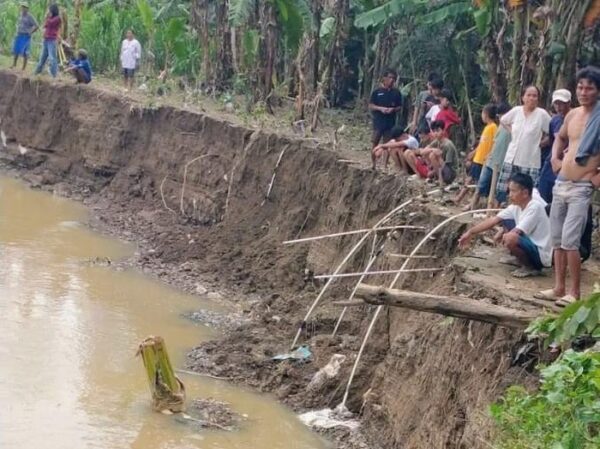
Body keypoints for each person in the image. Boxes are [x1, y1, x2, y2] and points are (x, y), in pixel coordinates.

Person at [536, 67, 600, 306]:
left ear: (598, 91)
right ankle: (558, 287)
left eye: (589, 88)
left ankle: (574, 292)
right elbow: (560, 138)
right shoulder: (572, 115)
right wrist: (554, 158)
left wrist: (596, 176)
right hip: (561, 182)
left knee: (571, 240)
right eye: (580, 87)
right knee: (557, 239)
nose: (584, 92)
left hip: (582, 186)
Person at [459, 173, 551, 278]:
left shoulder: (535, 207)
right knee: (506, 222)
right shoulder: (516, 206)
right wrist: (470, 232)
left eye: (513, 191)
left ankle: (531, 267)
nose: (509, 194)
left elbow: (517, 231)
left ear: (525, 193)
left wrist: (505, 237)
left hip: (540, 254)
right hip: (530, 244)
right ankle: (520, 259)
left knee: (510, 238)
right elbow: (494, 220)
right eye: (509, 191)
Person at [496, 86, 551, 204]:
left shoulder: (542, 115)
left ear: (538, 99)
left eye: (534, 96)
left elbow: (552, 132)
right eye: (528, 95)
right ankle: (502, 211)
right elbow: (503, 120)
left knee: (527, 192)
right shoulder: (516, 111)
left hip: (530, 160)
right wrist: (512, 131)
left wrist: (541, 143)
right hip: (512, 157)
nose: (531, 98)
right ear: (523, 97)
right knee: (505, 189)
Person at [454, 104, 499, 208]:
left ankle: (469, 202)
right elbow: (482, 144)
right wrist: (473, 153)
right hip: (478, 159)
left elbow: (494, 143)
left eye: (482, 113)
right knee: (471, 179)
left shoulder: (493, 127)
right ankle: (461, 198)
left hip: (483, 161)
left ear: (486, 114)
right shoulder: (487, 127)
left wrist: (489, 155)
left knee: (477, 182)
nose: (482, 116)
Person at [474, 102, 512, 208]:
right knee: (481, 184)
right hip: (491, 161)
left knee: (499, 189)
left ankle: (495, 209)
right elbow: (495, 142)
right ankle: (473, 204)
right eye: (499, 116)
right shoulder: (500, 127)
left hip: (503, 163)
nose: (501, 118)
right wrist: (489, 154)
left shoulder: (514, 129)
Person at [537, 89, 572, 203]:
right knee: (543, 195)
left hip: (570, 162)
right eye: (556, 103)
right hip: (551, 162)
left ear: (569, 103)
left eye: (562, 103)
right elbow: (553, 140)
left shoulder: (576, 118)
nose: (559, 107)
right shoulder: (554, 120)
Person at [403, 120, 457, 185]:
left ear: (443, 130)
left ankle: (441, 179)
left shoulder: (448, 145)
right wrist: (432, 149)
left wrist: (437, 158)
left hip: (450, 173)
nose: (436, 133)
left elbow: (449, 165)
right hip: (441, 169)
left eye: (438, 131)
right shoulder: (437, 141)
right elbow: (423, 152)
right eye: (434, 131)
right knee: (431, 153)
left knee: (432, 155)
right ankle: (438, 178)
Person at [369, 69, 403, 168]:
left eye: (394, 78)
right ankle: (373, 164)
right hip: (378, 122)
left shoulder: (396, 93)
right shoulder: (377, 92)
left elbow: (399, 107)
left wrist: (393, 109)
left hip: (390, 122)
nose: (392, 80)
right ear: (384, 78)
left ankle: (384, 165)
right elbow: (371, 105)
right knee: (375, 142)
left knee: (387, 144)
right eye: (390, 77)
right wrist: (380, 109)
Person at [33, 4, 61, 78]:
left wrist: (47, 17)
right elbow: (45, 25)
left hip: (52, 40)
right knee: (42, 58)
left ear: (53, 10)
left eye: (49, 10)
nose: (48, 11)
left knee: (52, 58)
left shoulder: (57, 18)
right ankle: (36, 73)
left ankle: (53, 76)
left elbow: (50, 23)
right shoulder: (50, 18)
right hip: (46, 39)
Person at [11, 2, 38, 70]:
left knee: (25, 51)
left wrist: (31, 32)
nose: (23, 8)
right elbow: (19, 24)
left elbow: (36, 26)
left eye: (25, 7)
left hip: (26, 36)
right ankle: (14, 64)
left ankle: (23, 68)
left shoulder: (30, 16)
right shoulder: (20, 15)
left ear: (27, 9)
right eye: (22, 7)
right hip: (19, 34)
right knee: (16, 49)